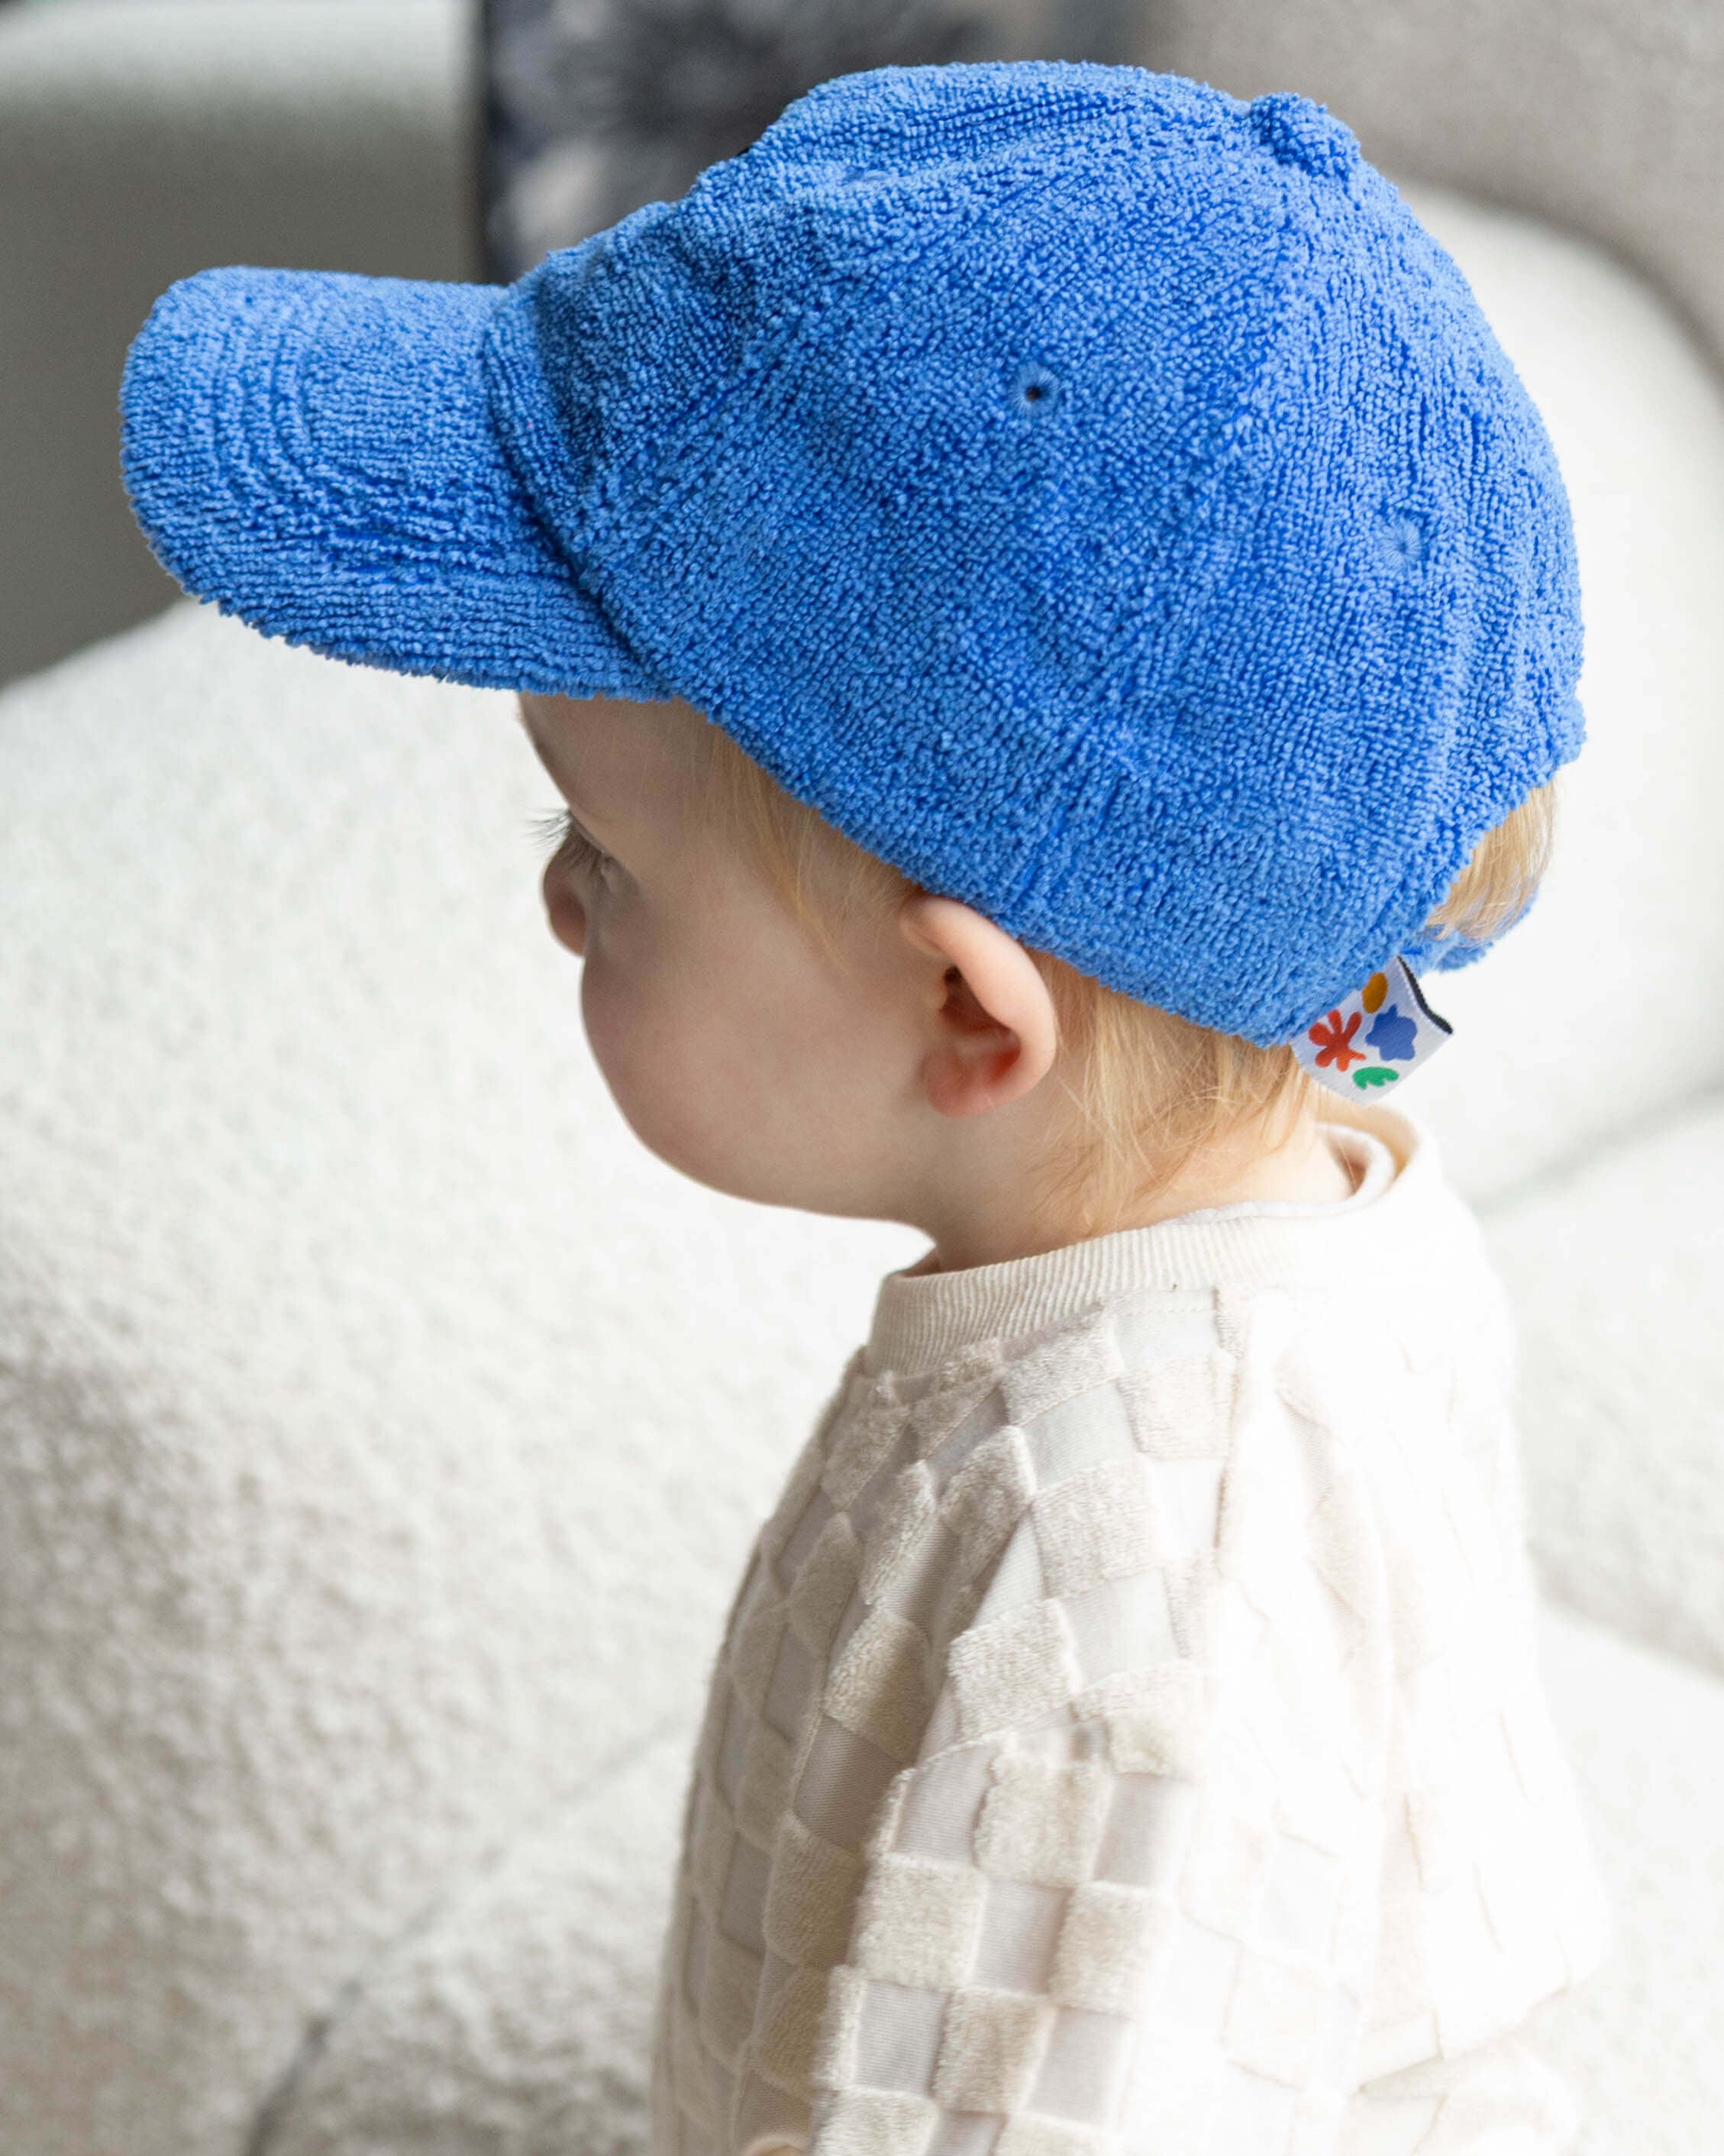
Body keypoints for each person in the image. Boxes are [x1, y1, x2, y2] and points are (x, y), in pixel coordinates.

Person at [118, 59, 1610, 2155]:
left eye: (606, 861)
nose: (552, 898)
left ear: (963, 1017)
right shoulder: (1300, 1189)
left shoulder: (1109, 1603)